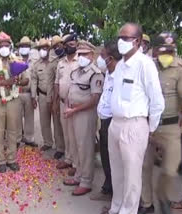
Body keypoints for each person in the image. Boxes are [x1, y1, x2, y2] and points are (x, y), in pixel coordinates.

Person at [102, 23, 165, 214]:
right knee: (118, 173)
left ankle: (128, 211)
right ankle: (116, 209)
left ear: (137, 41)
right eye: (119, 38)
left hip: (134, 125)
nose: (121, 42)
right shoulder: (120, 65)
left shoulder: (145, 65)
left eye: (126, 38)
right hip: (116, 124)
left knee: (131, 178)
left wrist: (150, 129)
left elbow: (157, 102)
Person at [139, 32, 182, 214]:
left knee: (170, 169)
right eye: (163, 49)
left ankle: (162, 194)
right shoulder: (146, 68)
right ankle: (147, 203)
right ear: (155, 50)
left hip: (171, 126)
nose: (167, 53)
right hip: (148, 124)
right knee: (145, 166)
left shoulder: (181, 70)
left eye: (170, 50)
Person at [63, 40, 104, 196]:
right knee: (75, 145)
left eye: (85, 54)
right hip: (72, 112)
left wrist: (75, 109)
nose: (81, 57)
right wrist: (68, 105)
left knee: (85, 147)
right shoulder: (77, 71)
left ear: (92, 55)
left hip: (85, 114)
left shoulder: (96, 73)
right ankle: (78, 175)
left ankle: (86, 181)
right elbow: (71, 91)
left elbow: (94, 99)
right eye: (79, 54)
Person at [0, 32, 29, 173]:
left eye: (7, 45)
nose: (4, 48)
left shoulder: (17, 60)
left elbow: (26, 80)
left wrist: (17, 81)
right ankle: (1, 160)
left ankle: (11, 159)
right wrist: (5, 82)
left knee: (13, 130)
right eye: (2, 46)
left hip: (13, 99)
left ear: (10, 47)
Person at [90, 40, 122, 201]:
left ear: (111, 57)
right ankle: (107, 188)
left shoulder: (121, 74)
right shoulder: (108, 73)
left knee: (114, 159)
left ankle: (115, 195)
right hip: (104, 120)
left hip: (113, 121)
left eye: (102, 56)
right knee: (105, 156)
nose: (99, 59)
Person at [54, 34, 78, 176]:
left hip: (76, 105)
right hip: (63, 103)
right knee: (67, 133)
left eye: (73, 44)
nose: (71, 47)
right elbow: (57, 82)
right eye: (69, 45)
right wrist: (56, 101)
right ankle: (68, 159)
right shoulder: (61, 63)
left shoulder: (80, 61)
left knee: (75, 135)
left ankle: (76, 163)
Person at [31, 38, 55, 151]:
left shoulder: (55, 63)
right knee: (44, 121)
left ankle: (60, 147)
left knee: (57, 122)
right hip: (42, 96)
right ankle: (48, 142)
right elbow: (34, 81)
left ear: (49, 49)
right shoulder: (36, 65)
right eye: (41, 49)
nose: (43, 51)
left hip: (54, 96)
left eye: (45, 48)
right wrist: (33, 97)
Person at [46, 35, 65, 160]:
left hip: (72, 99)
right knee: (57, 124)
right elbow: (50, 83)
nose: (58, 48)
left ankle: (70, 150)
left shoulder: (76, 59)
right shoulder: (53, 64)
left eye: (59, 45)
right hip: (58, 98)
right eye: (55, 47)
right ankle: (60, 148)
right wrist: (51, 100)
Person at [17, 36, 37, 147]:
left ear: (30, 48)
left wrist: (34, 96)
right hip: (18, 93)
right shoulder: (15, 59)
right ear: (19, 48)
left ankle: (29, 138)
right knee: (17, 117)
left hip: (29, 93)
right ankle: (18, 138)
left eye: (26, 46)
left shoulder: (33, 61)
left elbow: (34, 80)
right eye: (22, 46)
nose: (24, 48)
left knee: (30, 117)